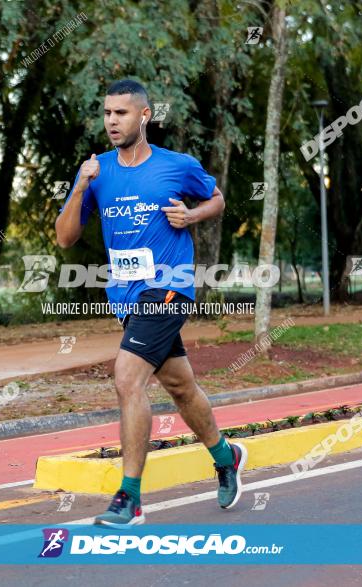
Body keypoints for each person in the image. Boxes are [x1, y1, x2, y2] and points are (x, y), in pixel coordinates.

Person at [55, 79, 247, 528]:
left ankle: (130, 498)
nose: (111, 121)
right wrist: (81, 187)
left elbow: (216, 198)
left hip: (170, 287)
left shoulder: (177, 166)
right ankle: (226, 456)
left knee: (127, 376)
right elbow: (65, 238)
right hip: (126, 296)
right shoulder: (97, 171)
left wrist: (192, 214)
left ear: (144, 116)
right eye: (106, 113)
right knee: (180, 386)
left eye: (121, 113)